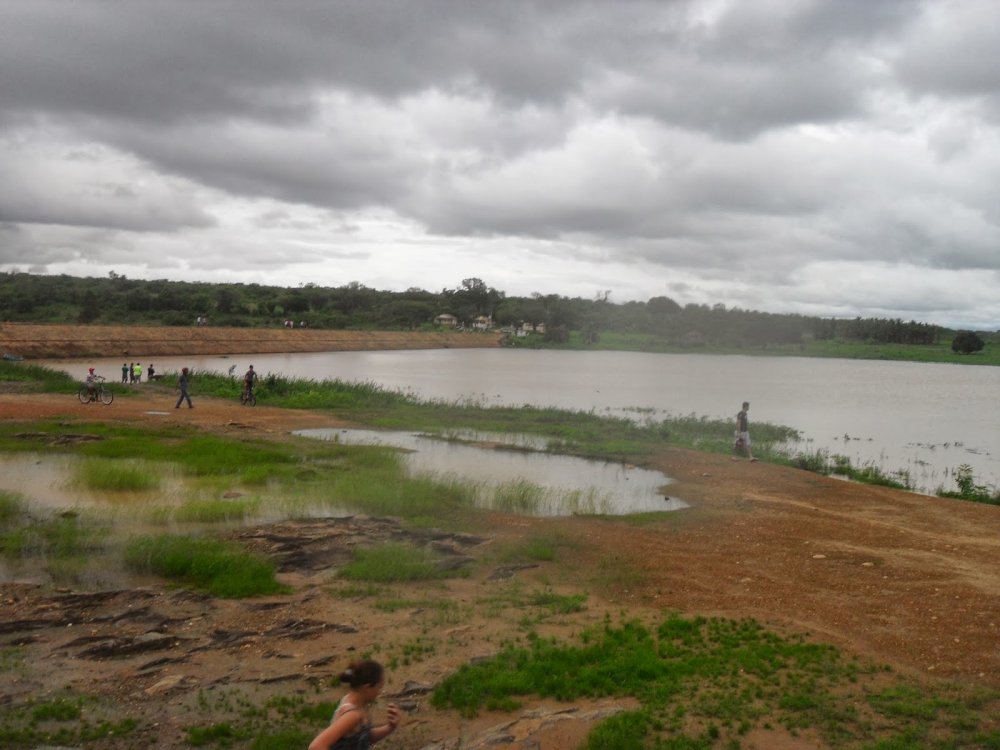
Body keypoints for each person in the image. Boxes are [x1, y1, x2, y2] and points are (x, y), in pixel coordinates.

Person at [308, 660, 400, 750]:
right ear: (367, 687)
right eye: (379, 688)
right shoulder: (352, 715)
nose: (379, 692)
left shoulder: (358, 704)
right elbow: (316, 746)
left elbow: (363, 738)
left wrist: (390, 727)